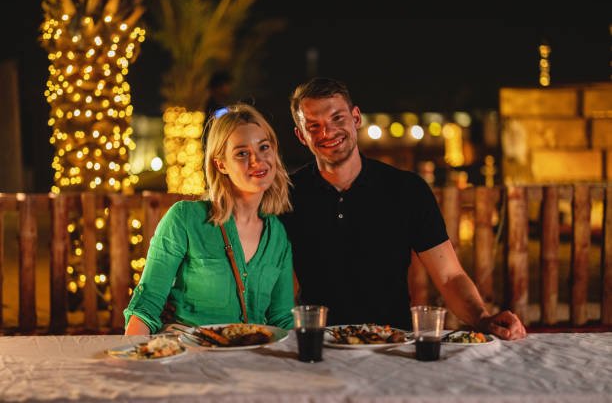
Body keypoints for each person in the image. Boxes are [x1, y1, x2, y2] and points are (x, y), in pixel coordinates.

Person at [281, 77, 526, 340]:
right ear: (301, 136)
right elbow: (273, 281)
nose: (327, 133)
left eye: (337, 119)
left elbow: (449, 276)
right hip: (319, 341)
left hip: (393, 340)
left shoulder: (406, 189)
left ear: (356, 118)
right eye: (314, 126)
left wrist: (482, 318)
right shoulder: (286, 195)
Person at [124, 103, 295, 334]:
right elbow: (147, 305)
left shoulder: (277, 236)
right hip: (189, 357)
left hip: (250, 358)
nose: (257, 160)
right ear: (221, 164)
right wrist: (134, 362)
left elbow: (282, 319)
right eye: (242, 153)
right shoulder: (184, 218)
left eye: (264, 147)